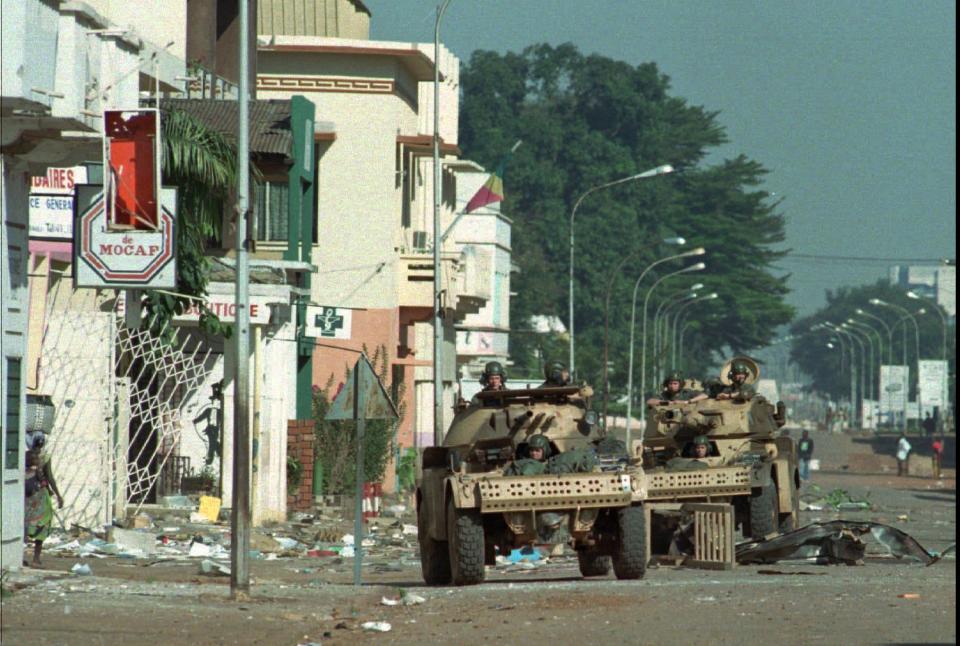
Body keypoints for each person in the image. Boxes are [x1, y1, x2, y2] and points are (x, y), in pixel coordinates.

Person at [24, 444, 63, 567]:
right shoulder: (39, 468)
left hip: (29, 506)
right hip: (39, 506)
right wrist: (57, 495)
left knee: (25, 532)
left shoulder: (22, 471)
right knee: (39, 532)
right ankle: (35, 559)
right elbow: (48, 479)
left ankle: (24, 558)